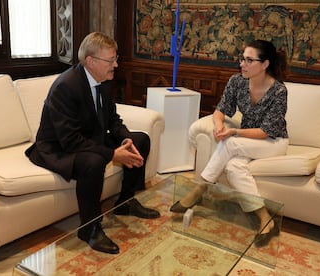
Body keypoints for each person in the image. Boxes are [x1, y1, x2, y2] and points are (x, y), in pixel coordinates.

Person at [25, 32, 160, 254]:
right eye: (111, 60)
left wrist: (125, 139)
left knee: (141, 139)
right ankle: (90, 227)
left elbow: (113, 120)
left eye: (116, 59)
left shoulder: (103, 80)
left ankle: (125, 201)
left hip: (87, 137)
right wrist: (113, 154)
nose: (116, 64)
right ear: (91, 61)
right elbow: (70, 140)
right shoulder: (65, 87)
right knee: (95, 161)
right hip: (57, 147)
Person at [170, 40, 289, 247]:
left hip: (273, 142)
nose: (242, 64)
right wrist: (218, 125)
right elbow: (220, 110)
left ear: (265, 64)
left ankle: (200, 188)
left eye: (249, 60)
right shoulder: (237, 81)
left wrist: (233, 131)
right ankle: (265, 219)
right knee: (234, 168)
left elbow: (266, 131)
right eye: (242, 58)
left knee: (232, 143)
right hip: (248, 141)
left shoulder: (279, 91)